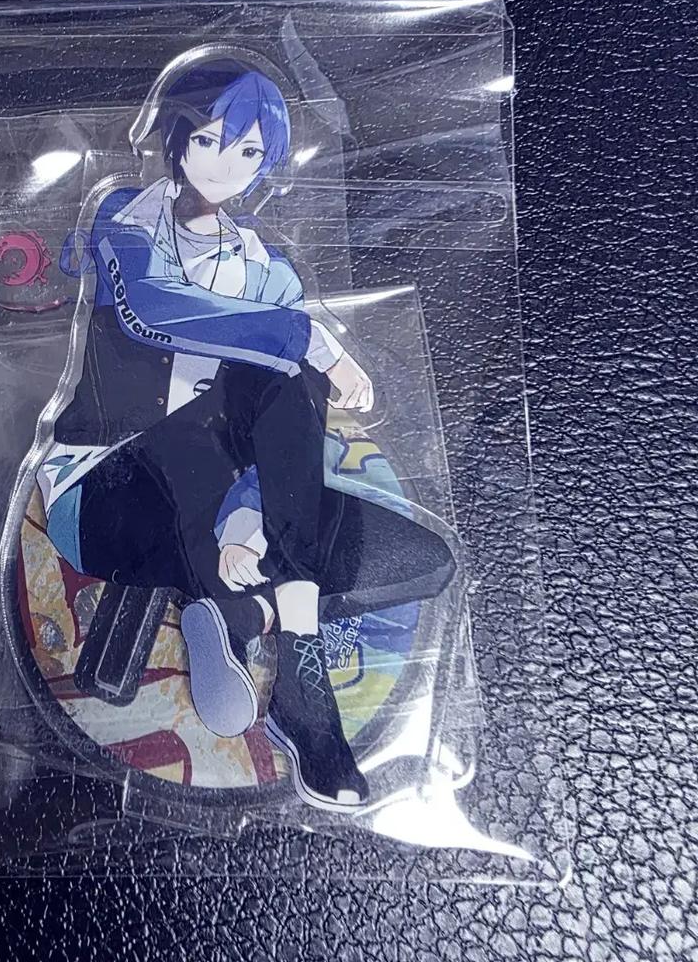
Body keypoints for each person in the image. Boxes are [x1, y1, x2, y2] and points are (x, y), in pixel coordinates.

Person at [36, 58, 456, 812]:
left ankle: (249, 615)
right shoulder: (127, 219)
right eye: (210, 140)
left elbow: (281, 431)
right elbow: (156, 311)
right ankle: (297, 674)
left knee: (426, 562)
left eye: (251, 151)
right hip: (108, 492)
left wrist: (246, 515)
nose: (227, 165)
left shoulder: (267, 268)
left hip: (222, 507)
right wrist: (311, 339)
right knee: (289, 376)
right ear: (175, 137)